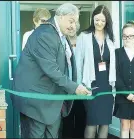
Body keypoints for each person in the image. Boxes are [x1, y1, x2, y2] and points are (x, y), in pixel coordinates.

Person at [11, 3, 91, 138]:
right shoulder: (45, 34)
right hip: (36, 102)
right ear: (60, 16)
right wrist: (75, 87)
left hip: (53, 103)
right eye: (71, 21)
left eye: (75, 22)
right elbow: (51, 69)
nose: (73, 25)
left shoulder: (61, 35)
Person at [75, 5, 116, 139]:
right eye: (97, 19)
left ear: (107, 22)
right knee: (92, 122)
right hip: (91, 84)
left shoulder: (110, 39)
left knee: (105, 123)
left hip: (107, 85)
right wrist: (78, 85)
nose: (99, 23)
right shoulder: (84, 36)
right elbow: (78, 62)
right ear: (93, 18)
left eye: (102, 21)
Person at [61, 21, 86, 138]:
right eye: (69, 26)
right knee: (67, 121)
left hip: (81, 87)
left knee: (81, 119)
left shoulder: (83, 42)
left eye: (74, 26)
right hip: (67, 88)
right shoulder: (62, 42)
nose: (71, 28)